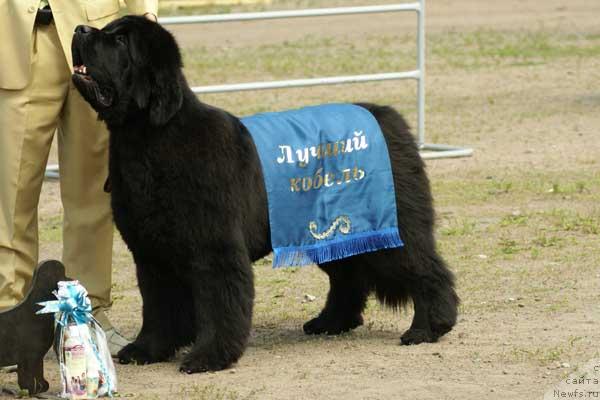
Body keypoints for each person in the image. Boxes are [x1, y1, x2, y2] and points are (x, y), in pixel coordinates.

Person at [0, 0, 158, 356]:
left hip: (95, 36)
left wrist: (146, 18)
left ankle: (86, 316)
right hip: (10, 42)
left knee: (93, 194)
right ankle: (9, 321)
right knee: (9, 198)